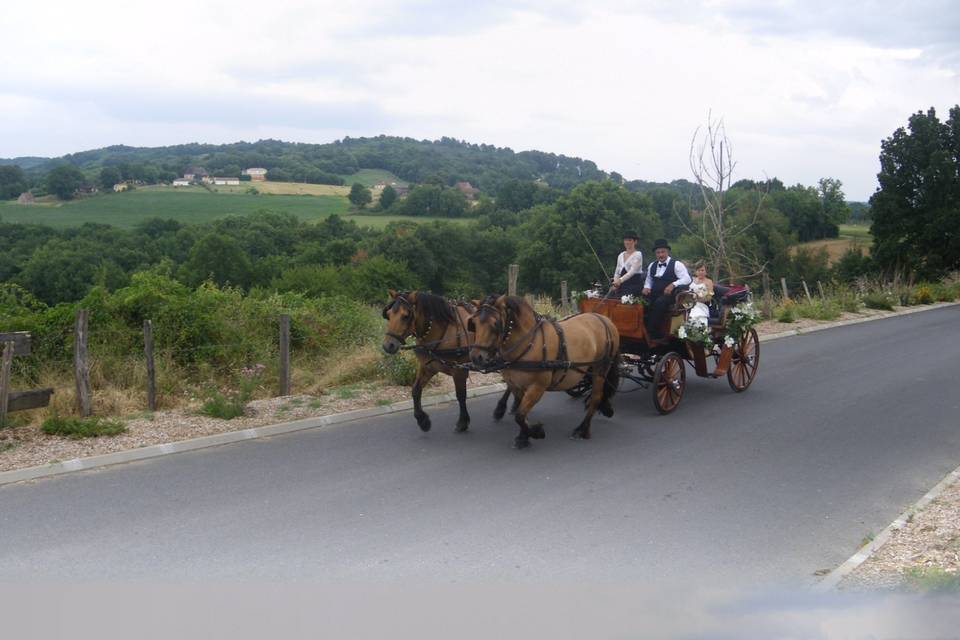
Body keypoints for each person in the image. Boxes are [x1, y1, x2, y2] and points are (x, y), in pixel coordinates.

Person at [642, 238, 691, 339]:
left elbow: (687, 279)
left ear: (667, 251)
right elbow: (649, 280)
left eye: (663, 252)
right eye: (658, 252)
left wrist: (673, 284)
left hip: (670, 295)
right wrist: (646, 287)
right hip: (654, 293)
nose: (660, 255)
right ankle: (641, 328)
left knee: (660, 303)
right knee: (642, 302)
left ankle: (654, 332)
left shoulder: (676, 264)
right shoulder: (652, 265)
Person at [605, 231, 645, 298]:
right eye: (625, 240)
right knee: (609, 295)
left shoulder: (638, 254)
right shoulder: (620, 255)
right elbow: (617, 272)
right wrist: (615, 283)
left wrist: (620, 281)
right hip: (621, 285)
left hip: (633, 285)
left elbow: (631, 272)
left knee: (623, 298)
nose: (627, 242)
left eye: (630, 240)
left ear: (635, 242)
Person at [687, 260, 714, 327]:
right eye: (698, 270)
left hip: (701, 305)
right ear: (696, 271)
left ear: (706, 272)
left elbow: (709, 297)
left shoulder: (709, 282)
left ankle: (698, 333)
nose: (700, 272)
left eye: (702, 270)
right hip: (688, 304)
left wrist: (698, 299)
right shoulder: (692, 280)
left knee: (695, 314)